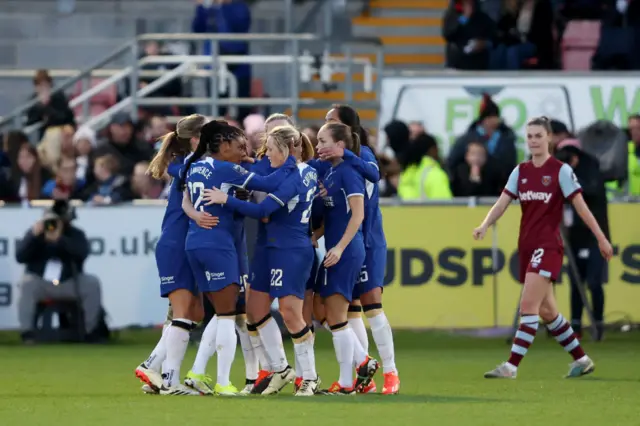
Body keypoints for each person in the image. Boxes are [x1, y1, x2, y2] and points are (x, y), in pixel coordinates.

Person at [473, 116, 613, 379]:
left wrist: (601, 238)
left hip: (548, 246)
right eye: (530, 136)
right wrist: (484, 224)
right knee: (548, 312)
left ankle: (511, 366)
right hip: (526, 245)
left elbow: (582, 207)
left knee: (529, 306)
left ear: (549, 138)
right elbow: (502, 203)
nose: (534, 141)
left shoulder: (560, 171)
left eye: (539, 136)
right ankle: (582, 360)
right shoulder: (521, 171)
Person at [179, 120, 295, 396]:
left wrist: (201, 211)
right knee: (229, 316)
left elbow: (186, 198)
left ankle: (196, 371)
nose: (243, 149)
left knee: (220, 315)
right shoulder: (226, 168)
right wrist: (292, 161)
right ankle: (222, 381)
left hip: (195, 242)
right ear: (224, 144)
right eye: (238, 144)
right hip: (218, 245)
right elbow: (270, 182)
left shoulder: (194, 166)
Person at [202, 125, 319, 396]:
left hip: (290, 249)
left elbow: (264, 209)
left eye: (271, 151)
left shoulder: (297, 176)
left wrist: (225, 199)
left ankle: (310, 377)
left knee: (290, 312)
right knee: (255, 310)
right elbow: (265, 177)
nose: (268, 156)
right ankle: (281, 369)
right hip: (268, 248)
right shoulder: (293, 171)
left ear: (284, 150)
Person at [134, 115, 219, 395]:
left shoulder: (185, 166)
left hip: (181, 243)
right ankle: (169, 380)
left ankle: (153, 366)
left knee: (193, 311)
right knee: (183, 312)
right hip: (178, 244)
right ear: (196, 139)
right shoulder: (193, 167)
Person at [319, 104, 400, 395]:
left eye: (331, 121)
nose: (325, 124)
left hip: (366, 240)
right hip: (348, 241)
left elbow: (373, 177)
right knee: (348, 310)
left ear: (346, 131)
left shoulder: (362, 155)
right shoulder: (330, 163)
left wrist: (346, 155)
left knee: (372, 305)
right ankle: (362, 375)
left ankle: (391, 373)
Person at [314, 122, 379, 395]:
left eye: (322, 141)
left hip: (347, 250)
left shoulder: (349, 172)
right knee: (321, 310)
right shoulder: (331, 173)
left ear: (340, 145)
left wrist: (339, 247)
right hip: (336, 248)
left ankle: (347, 382)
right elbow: (334, 216)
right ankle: (362, 361)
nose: (317, 146)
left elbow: (358, 215)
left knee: (337, 315)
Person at [16, 200, 103, 343]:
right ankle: (27, 333)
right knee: (26, 284)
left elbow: (82, 253)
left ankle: (90, 332)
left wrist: (60, 240)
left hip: (70, 282)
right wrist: (34, 237)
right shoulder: (36, 234)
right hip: (41, 282)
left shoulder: (75, 234)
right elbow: (20, 257)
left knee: (92, 283)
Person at [555, 139, 610, 341]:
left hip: (594, 238)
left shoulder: (591, 172)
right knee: (576, 284)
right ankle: (576, 324)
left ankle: (598, 322)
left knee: (594, 282)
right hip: (574, 238)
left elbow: (590, 191)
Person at [447, 94, 517, 187]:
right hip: (470, 188)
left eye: (495, 116)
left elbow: (511, 165)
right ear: (484, 119)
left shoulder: (506, 139)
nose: (495, 120)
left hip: (498, 189)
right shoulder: (466, 139)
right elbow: (452, 163)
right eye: (491, 116)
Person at [442, 0, 497, 70]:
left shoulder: (482, 18)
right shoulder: (452, 15)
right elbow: (448, 34)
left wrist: (484, 43)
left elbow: (494, 38)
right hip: (456, 64)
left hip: (477, 65)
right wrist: (464, 18)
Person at [398, 133, 453, 200]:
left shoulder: (406, 174)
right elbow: (445, 207)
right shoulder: (436, 174)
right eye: (437, 148)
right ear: (432, 149)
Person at [25, 69, 75, 139]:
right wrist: (41, 106)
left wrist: (46, 106)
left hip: (61, 133)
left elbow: (62, 117)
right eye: (39, 85)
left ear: (50, 84)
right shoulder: (34, 100)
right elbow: (30, 120)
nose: (43, 88)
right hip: (44, 136)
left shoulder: (58, 96)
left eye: (45, 85)